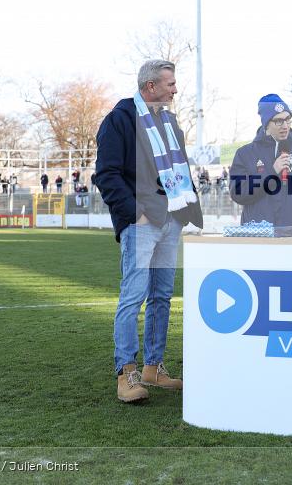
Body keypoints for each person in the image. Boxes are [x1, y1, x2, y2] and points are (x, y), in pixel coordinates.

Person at [95, 59, 203, 403]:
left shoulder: (171, 123)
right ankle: (126, 373)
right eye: (170, 84)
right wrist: (134, 214)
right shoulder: (120, 119)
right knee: (133, 297)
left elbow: (181, 169)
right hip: (142, 223)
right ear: (151, 87)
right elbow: (107, 174)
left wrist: (187, 211)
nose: (176, 89)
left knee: (161, 297)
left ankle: (154, 368)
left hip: (171, 219)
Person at [229, 94, 292, 236]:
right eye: (278, 121)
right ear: (266, 123)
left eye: (287, 119)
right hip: (258, 234)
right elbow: (238, 193)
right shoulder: (245, 154)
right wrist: (271, 172)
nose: (285, 126)